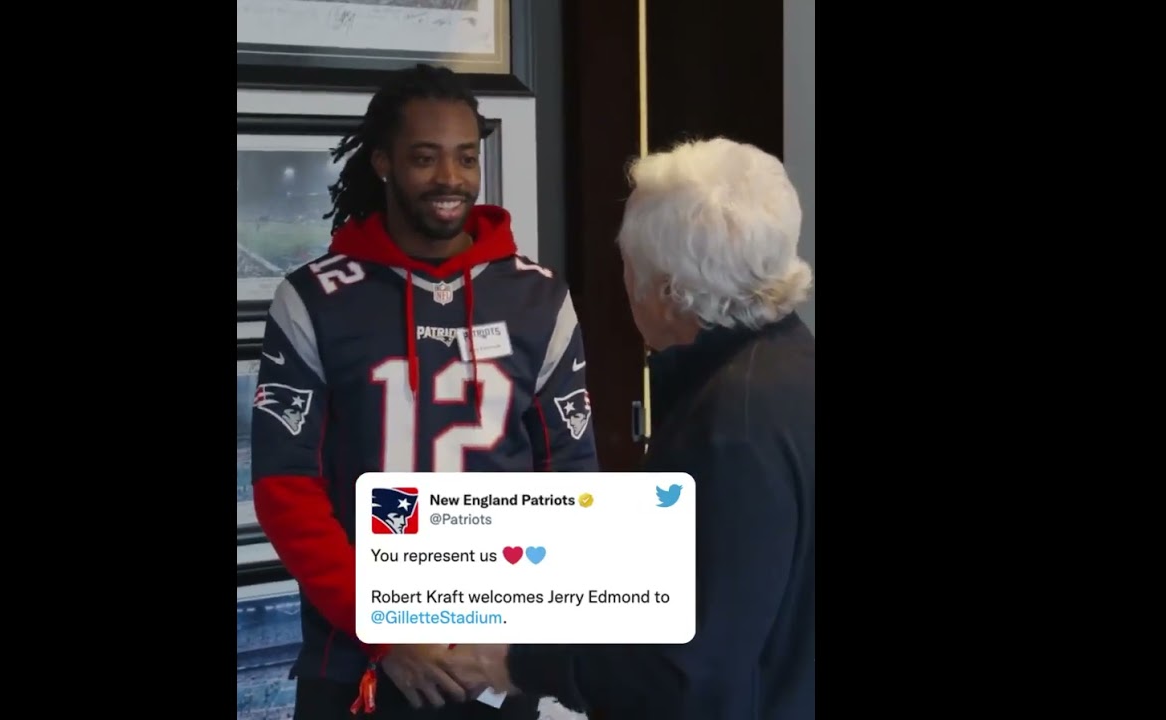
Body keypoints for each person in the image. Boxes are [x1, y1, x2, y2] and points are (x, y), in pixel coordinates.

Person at [249, 63, 600, 720]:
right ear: (382, 161)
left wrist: (514, 638)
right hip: (355, 665)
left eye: (466, 158)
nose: (451, 179)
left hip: (491, 665)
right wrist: (387, 629)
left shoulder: (539, 298)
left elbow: (571, 481)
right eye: (425, 158)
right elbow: (284, 489)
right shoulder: (313, 300)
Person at [441, 137, 816, 720]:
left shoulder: (730, 427)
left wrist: (515, 661)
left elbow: (681, 668)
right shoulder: (790, 370)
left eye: (627, 265)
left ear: (667, 293)